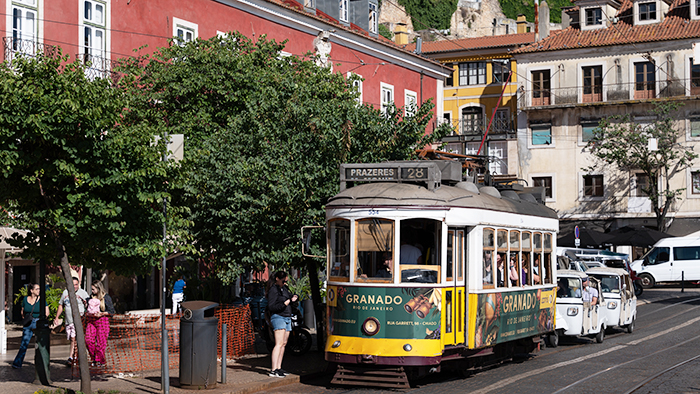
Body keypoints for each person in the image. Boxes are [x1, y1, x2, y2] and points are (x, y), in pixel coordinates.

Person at [266, 271, 298, 378]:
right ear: (277, 279)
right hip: (279, 317)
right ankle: (273, 369)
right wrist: (284, 304)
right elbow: (272, 306)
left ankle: (279, 367)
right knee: (278, 343)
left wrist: (294, 298)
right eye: (283, 281)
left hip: (287, 317)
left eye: (286, 281)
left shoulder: (284, 289)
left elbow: (290, 298)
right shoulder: (273, 290)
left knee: (284, 343)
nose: (285, 283)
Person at [54, 277, 90, 365]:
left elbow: (89, 305)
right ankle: (76, 356)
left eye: (76, 284)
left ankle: (71, 357)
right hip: (68, 321)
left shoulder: (83, 293)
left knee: (74, 338)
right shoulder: (65, 292)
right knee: (71, 339)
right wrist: (57, 317)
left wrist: (86, 306)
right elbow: (61, 305)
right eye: (73, 285)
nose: (75, 287)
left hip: (79, 320)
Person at [13, 283, 49, 369]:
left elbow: (47, 313)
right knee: (24, 343)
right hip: (28, 322)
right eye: (37, 289)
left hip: (37, 322)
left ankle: (41, 363)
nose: (39, 291)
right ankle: (17, 363)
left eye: (39, 289)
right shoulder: (25, 299)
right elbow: (22, 312)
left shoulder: (42, 300)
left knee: (40, 344)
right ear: (31, 290)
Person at [86, 280, 115, 367]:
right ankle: (94, 358)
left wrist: (102, 313)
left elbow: (111, 312)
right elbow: (86, 310)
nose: (92, 291)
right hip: (91, 320)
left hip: (102, 321)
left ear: (99, 288)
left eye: (93, 289)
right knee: (88, 340)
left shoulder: (106, 297)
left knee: (100, 343)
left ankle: (100, 360)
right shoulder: (90, 298)